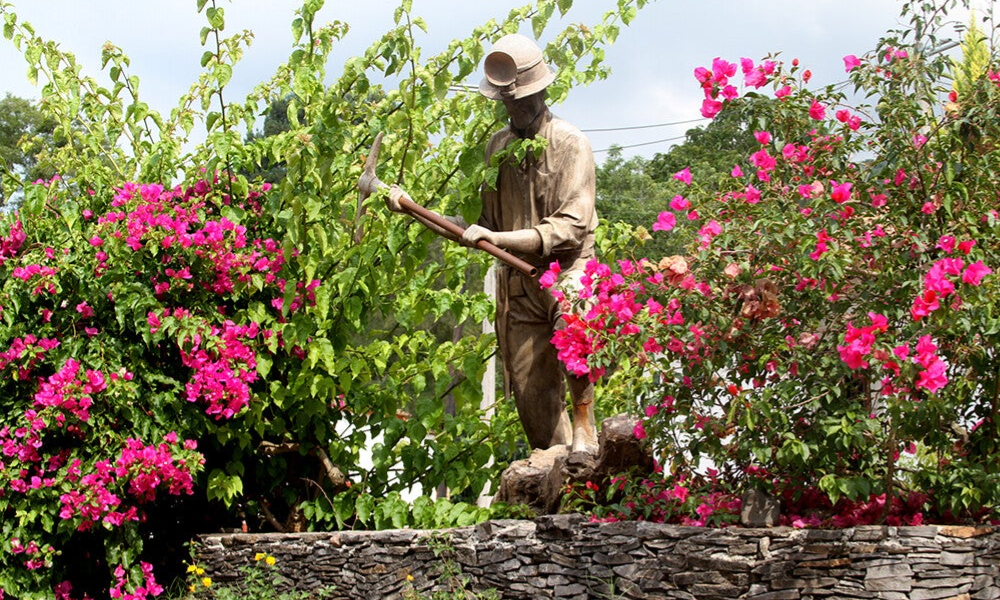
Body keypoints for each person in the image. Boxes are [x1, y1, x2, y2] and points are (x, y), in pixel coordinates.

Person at [386, 33, 599, 454]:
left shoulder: (570, 142)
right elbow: (478, 227)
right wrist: (412, 208)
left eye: (520, 99)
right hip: (519, 286)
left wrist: (497, 238)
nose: (513, 108)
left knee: (576, 321)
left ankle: (585, 429)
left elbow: (571, 227)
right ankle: (553, 464)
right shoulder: (497, 148)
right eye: (506, 101)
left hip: (567, 271)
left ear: (540, 92)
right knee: (530, 396)